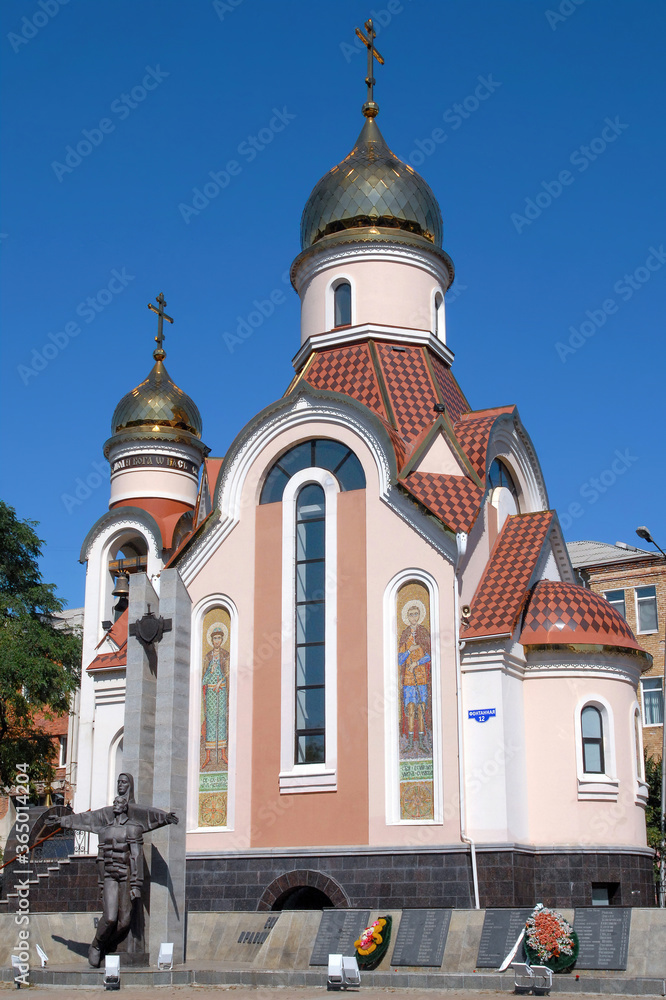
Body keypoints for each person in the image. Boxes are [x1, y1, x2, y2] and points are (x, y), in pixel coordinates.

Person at [45, 776, 177, 967]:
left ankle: (107, 945)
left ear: (126, 805)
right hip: (109, 876)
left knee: (124, 921)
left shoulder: (133, 828)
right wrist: (61, 821)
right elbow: (85, 819)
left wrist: (165, 818)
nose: (117, 799)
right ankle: (97, 945)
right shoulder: (104, 828)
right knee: (109, 917)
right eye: (118, 783)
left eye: (124, 783)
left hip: (125, 875)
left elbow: (136, 855)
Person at [398, 602, 431, 752]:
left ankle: (422, 743)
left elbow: (430, 654)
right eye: (411, 614)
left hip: (422, 677)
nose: (413, 617)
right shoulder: (405, 635)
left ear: (420, 615)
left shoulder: (423, 633)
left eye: (416, 614)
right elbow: (399, 660)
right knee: (410, 709)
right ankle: (411, 743)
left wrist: (417, 662)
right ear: (407, 617)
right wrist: (409, 651)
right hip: (409, 680)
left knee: (421, 709)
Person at [202, 624, 229, 767]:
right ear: (211, 640)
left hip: (222, 692)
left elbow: (228, 672)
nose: (217, 641)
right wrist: (210, 673)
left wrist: (221, 682)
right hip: (211, 694)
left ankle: (223, 755)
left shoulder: (225, 655)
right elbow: (203, 679)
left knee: (221, 721)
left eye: (219, 638)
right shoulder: (208, 656)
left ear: (222, 639)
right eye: (215, 638)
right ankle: (208, 756)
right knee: (211, 722)